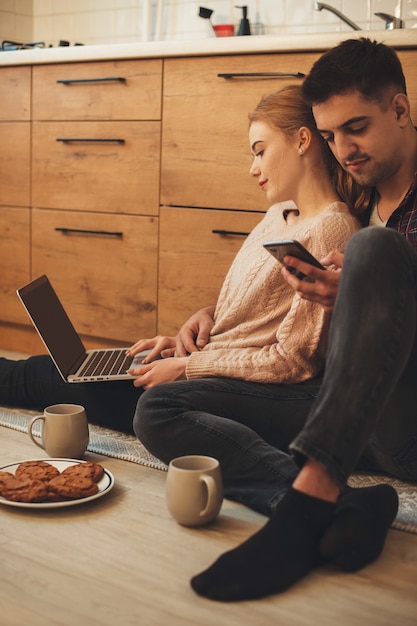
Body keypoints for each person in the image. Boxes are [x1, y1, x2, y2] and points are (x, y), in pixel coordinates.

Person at [184, 37, 417, 602]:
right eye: (332, 136)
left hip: (407, 422)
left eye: (356, 128)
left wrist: (365, 282)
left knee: (373, 252)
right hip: (351, 416)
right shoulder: (358, 203)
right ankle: (352, 509)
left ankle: (307, 504)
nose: (344, 150)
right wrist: (213, 316)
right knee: (162, 405)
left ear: (401, 110)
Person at [0, 85, 360, 434]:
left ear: (302, 140)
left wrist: (187, 367)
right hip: (207, 363)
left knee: (40, 381)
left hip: (225, 388)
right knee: (52, 370)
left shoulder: (330, 231)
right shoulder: (280, 214)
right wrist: (195, 329)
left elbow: (294, 359)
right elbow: (255, 316)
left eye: (260, 151)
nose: (253, 168)